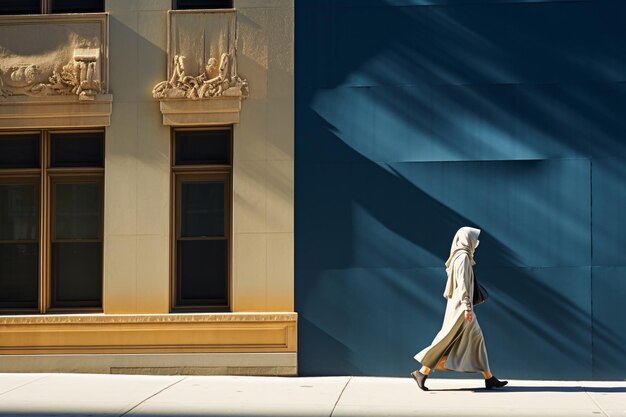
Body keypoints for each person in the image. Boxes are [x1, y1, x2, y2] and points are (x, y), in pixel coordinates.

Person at [411, 227, 508, 390]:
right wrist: (467, 308)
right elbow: (463, 285)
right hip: (461, 308)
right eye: (474, 238)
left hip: (460, 306)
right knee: (446, 339)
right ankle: (422, 372)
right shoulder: (462, 257)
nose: (476, 243)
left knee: (476, 339)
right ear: (466, 239)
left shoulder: (461, 256)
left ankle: (489, 378)